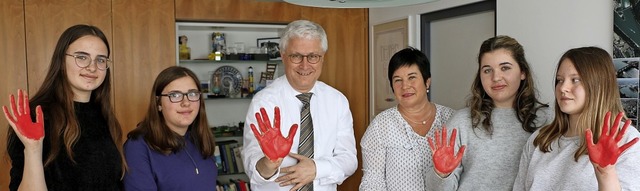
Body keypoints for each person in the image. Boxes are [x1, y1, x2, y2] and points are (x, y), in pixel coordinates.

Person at [3, 24, 125, 190]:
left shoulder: (105, 117)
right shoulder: (36, 118)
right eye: (82, 57)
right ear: (61, 61)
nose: (92, 67)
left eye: (101, 59)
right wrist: (33, 149)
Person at [241, 19, 357, 191]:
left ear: (322, 57)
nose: (305, 65)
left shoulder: (337, 101)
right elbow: (252, 166)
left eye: (313, 56)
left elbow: (349, 160)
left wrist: (316, 169)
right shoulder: (264, 102)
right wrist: (269, 163)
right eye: (296, 56)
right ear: (283, 56)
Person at [425, 35, 552, 190]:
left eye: (505, 68)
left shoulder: (547, 121)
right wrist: (441, 174)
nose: (496, 77)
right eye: (487, 70)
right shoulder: (462, 122)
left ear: (523, 72)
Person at [513, 46, 640, 190]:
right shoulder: (540, 139)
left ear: (599, 86)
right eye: (560, 80)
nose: (563, 88)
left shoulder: (625, 140)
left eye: (575, 79)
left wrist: (606, 175)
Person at [359, 47, 455, 190]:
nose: (405, 86)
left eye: (412, 77)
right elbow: (372, 181)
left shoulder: (452, 119)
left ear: (427, 82)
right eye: (398, 80)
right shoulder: (381, 126)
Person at [123, 66, 217, 190]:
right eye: (175, 95)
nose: (186, 102)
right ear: (158, 103)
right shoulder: (138, 146)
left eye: (192, 94)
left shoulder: (200, 139)